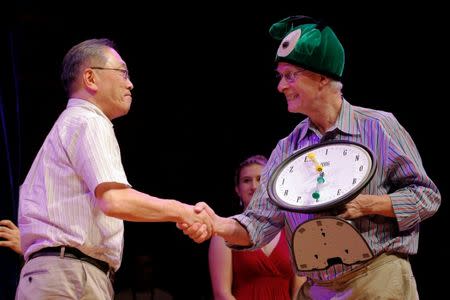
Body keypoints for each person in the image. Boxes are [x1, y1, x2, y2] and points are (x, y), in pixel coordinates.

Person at [179, 15, 441, 299]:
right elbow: (259, 222)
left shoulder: (377, 126)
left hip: (376, 279)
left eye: (290, 75)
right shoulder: (287, 149)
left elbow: (426, 197)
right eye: (280, 76)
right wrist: (218, 224)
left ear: (322, 78)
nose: (281, 86)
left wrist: (369, 204)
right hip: (318, 288)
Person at [16, 38, 211, 300]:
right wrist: (183, 211)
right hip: (70, 277)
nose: (130, 83)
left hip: (66, 273)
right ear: (91, 78)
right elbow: (114, 200)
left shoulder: (70, 124)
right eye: (122, 73)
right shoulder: (89, 120)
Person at [209, 155, 305, 299]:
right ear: (237, 189)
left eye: (260, 179)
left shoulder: (292, 232)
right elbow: (222, 294)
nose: (254, 186)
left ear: (271, 183)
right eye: (246, 180)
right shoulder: (224, 231)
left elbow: (299, 292)